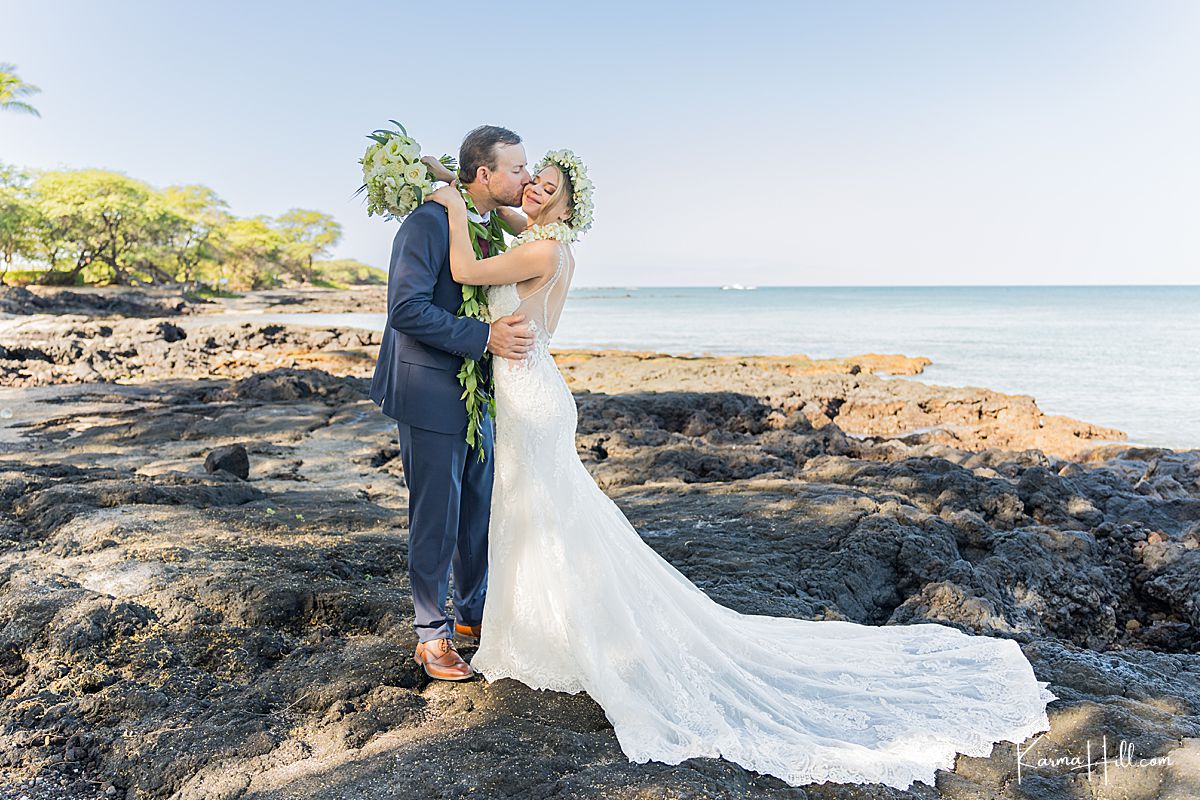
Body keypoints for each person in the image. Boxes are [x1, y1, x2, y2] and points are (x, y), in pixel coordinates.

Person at [423, 151, 1058, 790]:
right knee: (541, 513)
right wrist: (455, 182)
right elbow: (500, 210)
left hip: (531, 396)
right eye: (531, 179)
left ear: (566, 205)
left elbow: (464, 267)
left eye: (547, 186)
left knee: (544, 513)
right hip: (530, 387)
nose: (532, 188)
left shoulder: (541, 251)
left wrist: (451, 205)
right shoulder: (540, 236)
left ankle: (555, 634)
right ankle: (538, 626)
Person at [369, 125, 534, 681]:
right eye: (516, 169)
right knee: (435, 515)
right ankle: (431, 635)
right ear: (485, 174)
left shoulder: (483, 228)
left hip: (479, 392)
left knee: (477, 512)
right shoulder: (426, 223)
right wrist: (485, 337)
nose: (526, 177)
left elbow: (530, 225)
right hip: (428, 389)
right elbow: (406, 309)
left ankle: (472, 617)